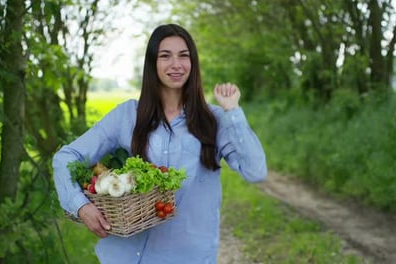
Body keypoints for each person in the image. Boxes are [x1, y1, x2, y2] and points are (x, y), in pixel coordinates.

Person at [52, 23, 267, 263]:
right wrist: (81, 206)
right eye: (165, 56)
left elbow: (255, 171)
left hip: (187, 257)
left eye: (183, 56)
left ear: (193, 64)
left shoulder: (215, 120)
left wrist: (233, 112)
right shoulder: (127, 116)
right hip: (124, 256)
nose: (176, 64)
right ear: (153, 64)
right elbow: (65, 157)